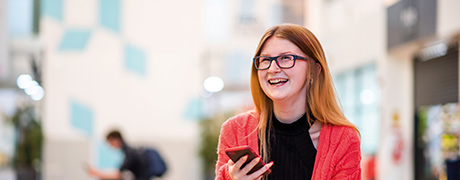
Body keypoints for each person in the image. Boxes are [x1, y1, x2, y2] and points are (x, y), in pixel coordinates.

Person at [215, 24, 361, 180]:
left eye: (285, 58)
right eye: (265, 60)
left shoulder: (344, 140)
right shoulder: (235, 130)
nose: (272, 68)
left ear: (314, 70)